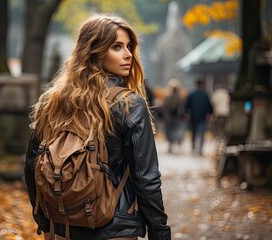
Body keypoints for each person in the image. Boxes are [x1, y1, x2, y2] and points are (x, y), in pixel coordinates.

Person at [24, 14, 171, 240]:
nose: (128, 54)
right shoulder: (129, 104)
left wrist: (44, 219)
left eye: (129, 46)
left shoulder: (51, 101)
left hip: (62, 226)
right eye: (117, 46)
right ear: (94, 51)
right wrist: (160, 231)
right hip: (115, 226)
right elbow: (146, 178)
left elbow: (32, 164)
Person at [184, 78, 213, 156]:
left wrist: (187, 114)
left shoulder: (191, 94)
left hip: (193, 117)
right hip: (202, 117)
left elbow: (187, 106)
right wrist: (210, 113)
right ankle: (200, 149)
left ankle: (193, 147)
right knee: (201, 133)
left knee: (194, 133)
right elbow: (209, 106)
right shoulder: (205, 94)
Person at [162, 78, 185, 153]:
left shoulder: (167, 97)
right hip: (177, 117)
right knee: (177, 131)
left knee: (170, 131)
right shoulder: (180, 97)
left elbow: (165, 107)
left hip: (170, 117)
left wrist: (165, 116)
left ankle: (170, 146)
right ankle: (178, 145)